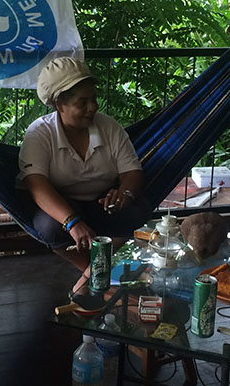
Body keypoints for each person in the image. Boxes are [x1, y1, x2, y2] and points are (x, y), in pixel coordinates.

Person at [18, 56, 151, 295]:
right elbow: (36, 184)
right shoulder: (40, 133)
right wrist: (72, 222)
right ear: (60, 105)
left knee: (138, 210)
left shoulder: (109, 128)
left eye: (93, 99)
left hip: (102, 202)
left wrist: (125, 194)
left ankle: (92, 276)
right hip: (63, 203)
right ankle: (102, 272)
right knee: (48, 227)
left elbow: (133, 172)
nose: (93, 107)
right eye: (83, 102)